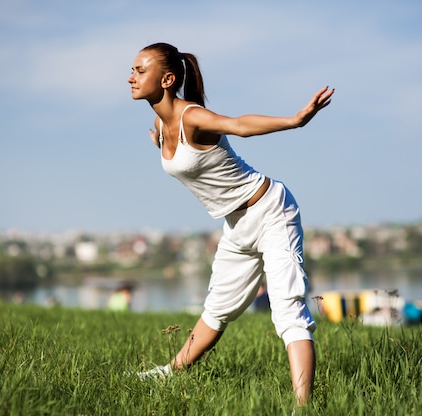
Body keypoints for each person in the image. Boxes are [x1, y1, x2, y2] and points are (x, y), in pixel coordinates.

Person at [128, 42, 334, 406]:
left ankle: (304, 408)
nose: (131, 77)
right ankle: (167, 375)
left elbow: (238, 126)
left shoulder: (192, 117)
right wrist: (159, 143)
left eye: (140, 70)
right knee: (217, 309)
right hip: (237, 225)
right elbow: (190, 164)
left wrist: (294, 120)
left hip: (271, 211)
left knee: (288, 310)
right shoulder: (162, 125)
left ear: (167, 79)